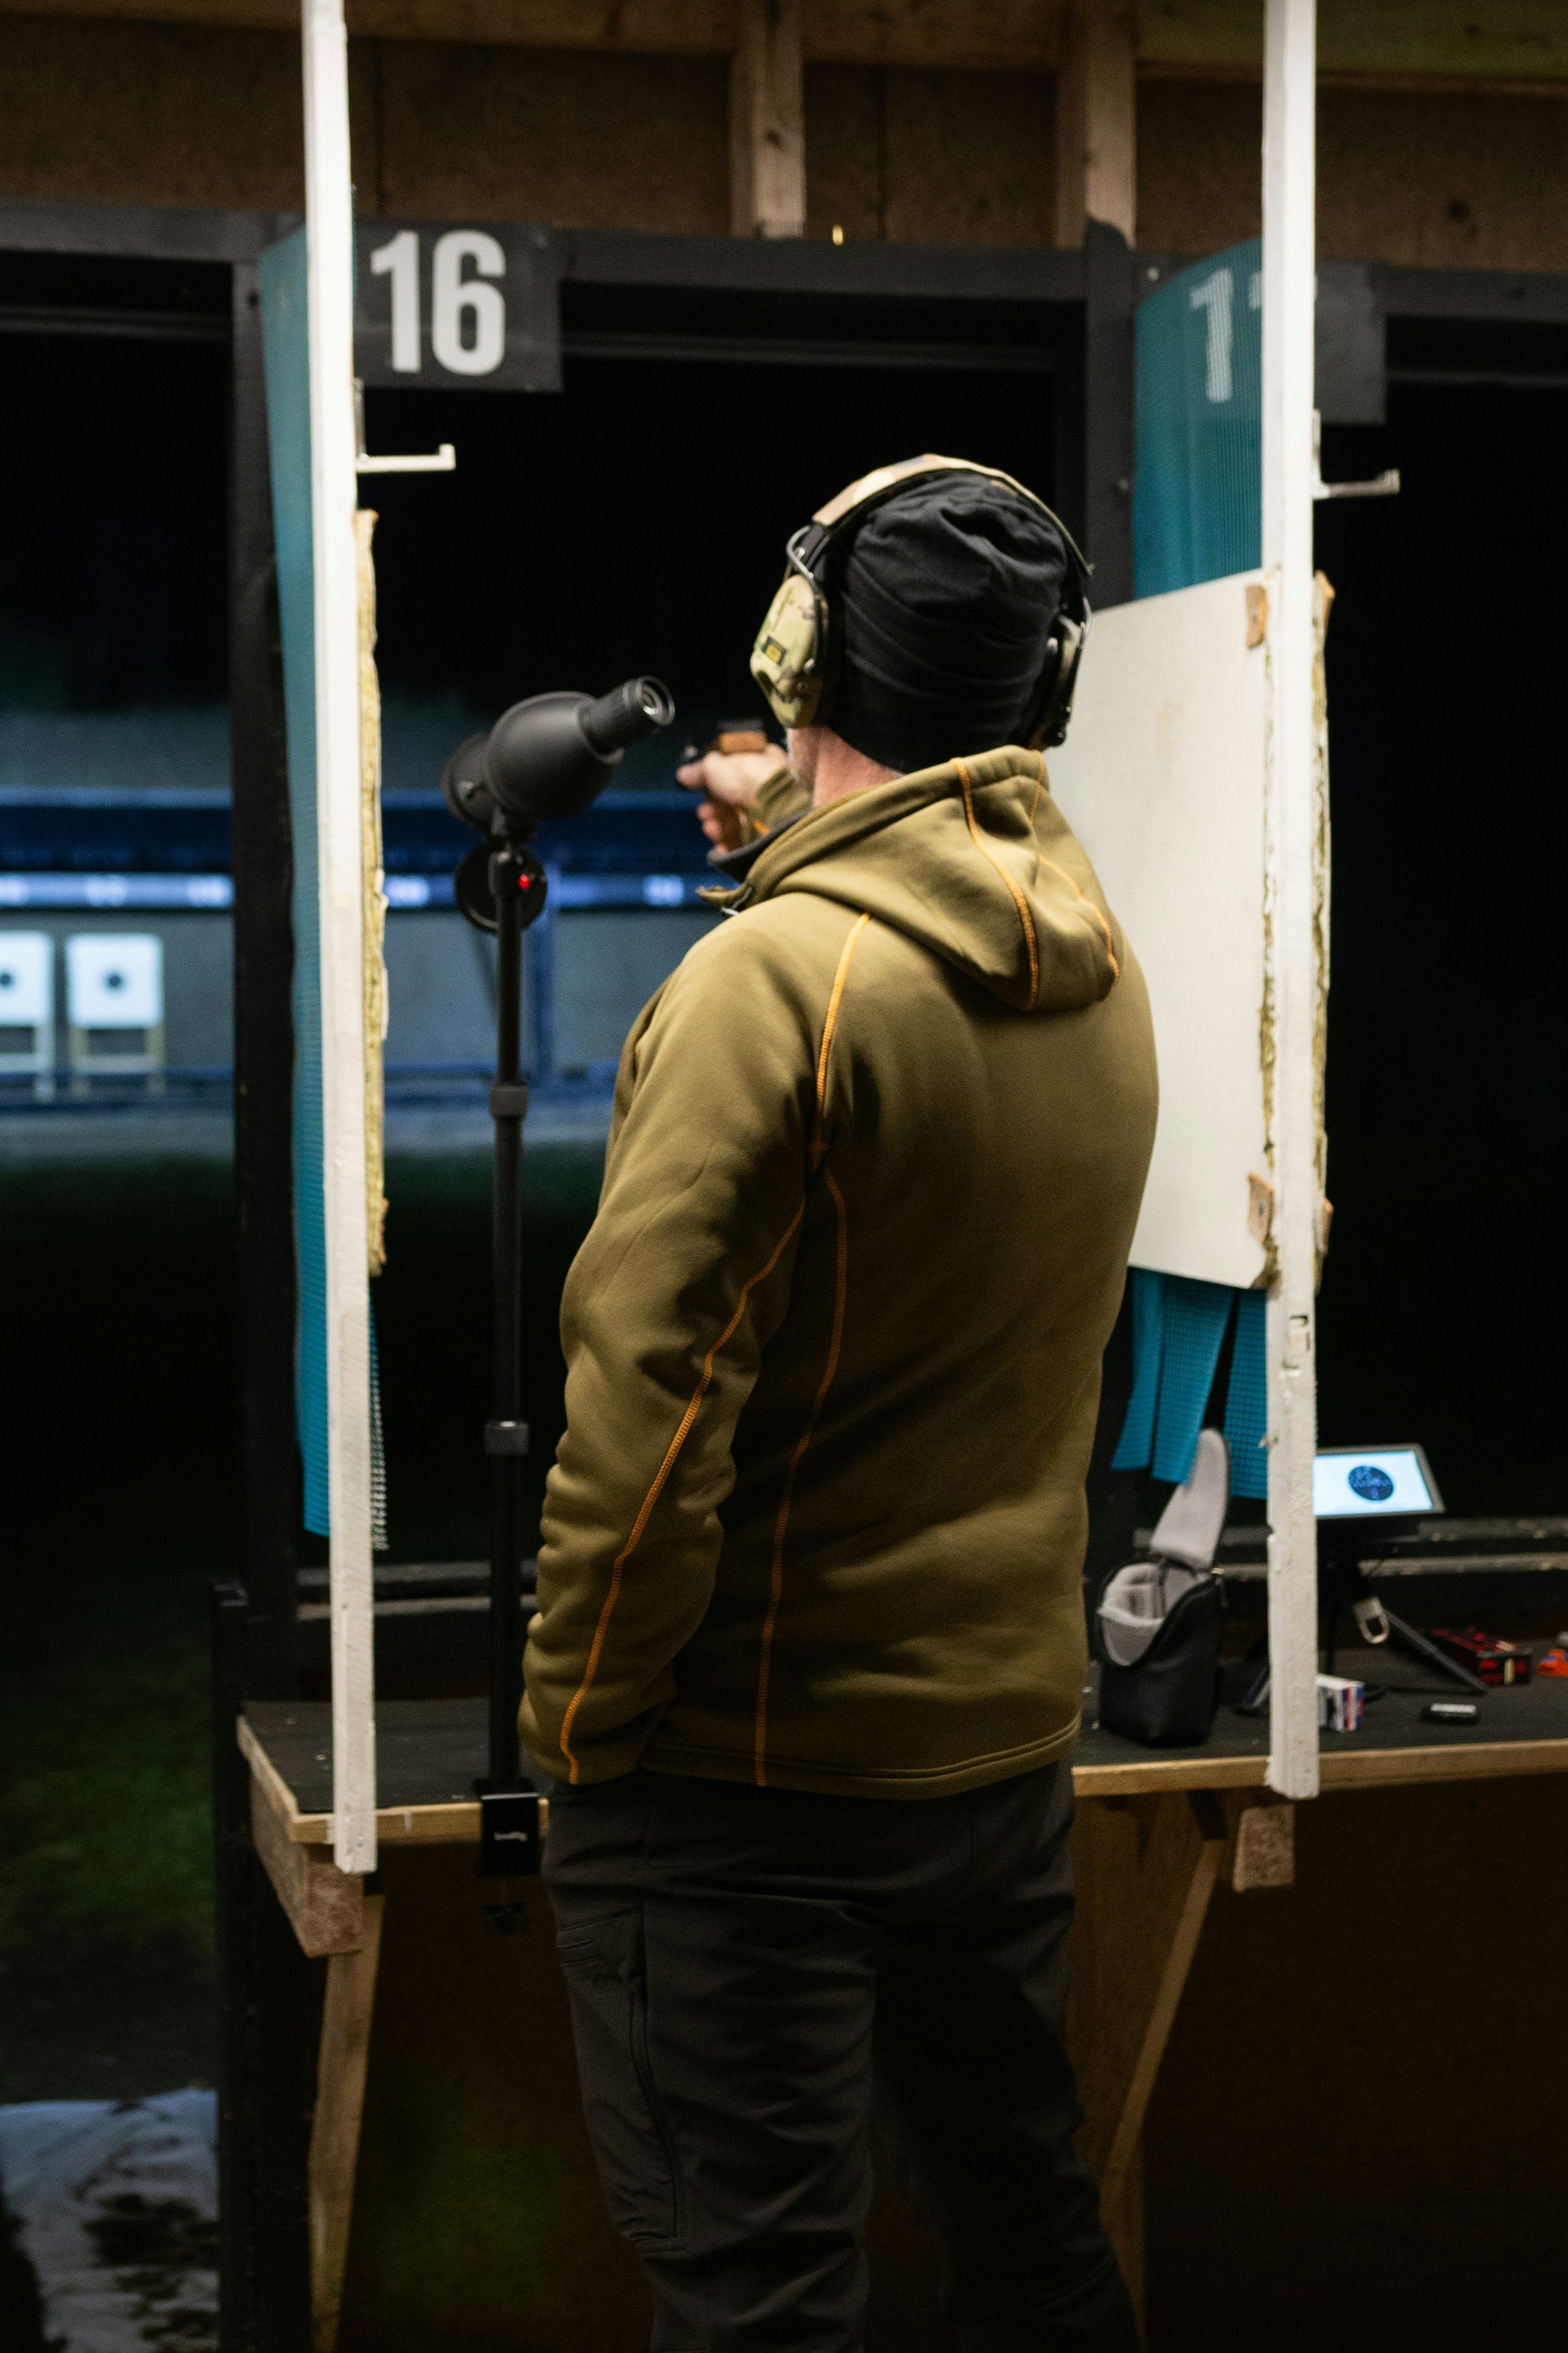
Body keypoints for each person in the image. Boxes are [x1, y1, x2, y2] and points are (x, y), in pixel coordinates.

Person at [522, 457, 1158, 2352]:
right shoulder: (1098, 976)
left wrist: (579, 1727)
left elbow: (647, 1413)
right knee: (1031, 2241)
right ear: (1038, 689)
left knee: (757, 2300)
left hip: (746, 1784)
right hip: (989, 1764)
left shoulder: (775, 983)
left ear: (799, 655)